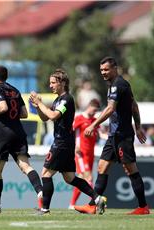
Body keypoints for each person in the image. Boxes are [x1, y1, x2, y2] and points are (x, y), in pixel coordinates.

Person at [74, 57, 150, 215]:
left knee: (130, 169)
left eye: (106, 69)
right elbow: (134, 106)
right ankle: (93, 205)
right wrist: (138, 126)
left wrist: (93, 124)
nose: (103, 72)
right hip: (113, 135)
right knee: (102, 167)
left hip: (122, 135)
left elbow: (110, 109)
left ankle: (143, 207)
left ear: (115, 68)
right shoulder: (115, 85)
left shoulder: (118, 85)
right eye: (101, 70)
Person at [29, 68, 106, 215]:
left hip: (62, 143)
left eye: (53, 83)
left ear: (62, 83)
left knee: (45, 174)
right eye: (50, 83)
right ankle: (97, 199)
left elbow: (52, 115)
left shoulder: (66, 99)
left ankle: (44, 209)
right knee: (70, 178)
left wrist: (40, 103)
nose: (50, 85)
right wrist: (38, 106)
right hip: (65, 142)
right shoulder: (58, 99)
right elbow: (45, 117)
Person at [0, 66, 43, 213]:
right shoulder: (15, 90)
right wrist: (11, 116)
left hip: (3, 134)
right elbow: (24, 113)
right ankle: (40, 192)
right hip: (18, 132)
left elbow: (3, 107)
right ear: (6, 76)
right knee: (25, 166)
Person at [69, 99, 100, 209]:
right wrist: (74, 146)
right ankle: (95, 201)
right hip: (81, 153)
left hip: (90, 154)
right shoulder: (79, 118)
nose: (94, 112)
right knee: (88, 177)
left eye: (96, 111)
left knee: (82, 177)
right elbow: (71, 132)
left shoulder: (94, 120)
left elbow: (98, 134)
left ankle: (72, 204)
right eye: (94, 110)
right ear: (89, 106)